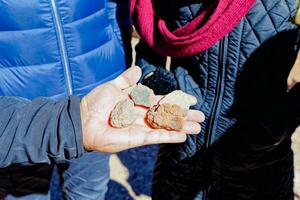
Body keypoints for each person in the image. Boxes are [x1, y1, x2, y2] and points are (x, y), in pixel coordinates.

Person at [0, 0, 204, 199]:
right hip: (21, 114)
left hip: (97, 104)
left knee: (89, 190)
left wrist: (117, 53)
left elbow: (116, 8)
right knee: (25, 193)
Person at [131, 0, 300, 199]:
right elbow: (150, 28)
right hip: (182, 148)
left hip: (260, 158)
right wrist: (155, 82)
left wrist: (281, 121)